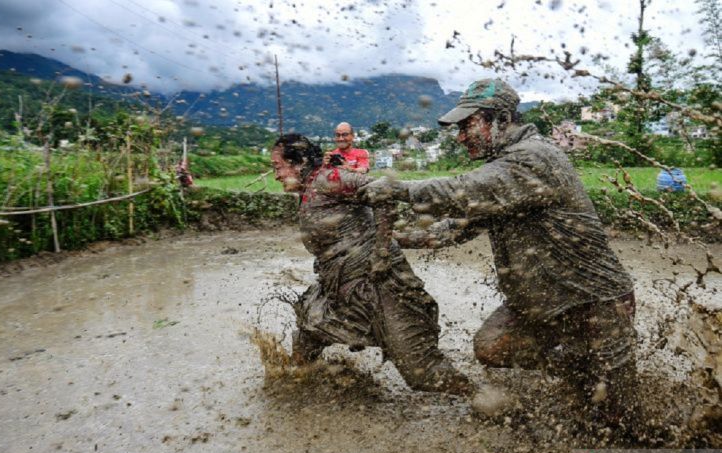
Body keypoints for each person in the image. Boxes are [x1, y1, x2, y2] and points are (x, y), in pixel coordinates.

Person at [360, 79, 639, 427]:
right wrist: (397, 239)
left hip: (594, 302)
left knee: (619, 416)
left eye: (467, 125)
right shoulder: (507, 170)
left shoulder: (533, 158)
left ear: (502, 119)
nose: (461, 137)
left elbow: (467, 189)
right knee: (494, 345)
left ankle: (591, 384)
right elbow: (456, 227)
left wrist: (400, 189)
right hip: (543, 303)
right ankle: (574, 373)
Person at [271, 133, 471, 395]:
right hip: (339, 283)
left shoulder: (331, 179)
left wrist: (382, 252)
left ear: (298, 163)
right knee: (309, 329)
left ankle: (488, 398)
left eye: (277, 167)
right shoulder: (310, 188)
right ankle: (300, 389)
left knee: (423, 372)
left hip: (378, 281)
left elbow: (384, 193)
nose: (275, 175)